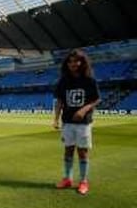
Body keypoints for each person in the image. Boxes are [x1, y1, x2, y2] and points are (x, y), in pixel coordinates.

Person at [53, 49, 100, 195]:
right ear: (67, 64)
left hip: (84, 123)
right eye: (70, 61)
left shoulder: (89, 80)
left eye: (76, 61)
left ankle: (83, 181)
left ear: (82, 62)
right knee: (68, 151)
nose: (73, 64)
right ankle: (67, 179)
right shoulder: (63, 81)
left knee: (82, 152)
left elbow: (97, 99)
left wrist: (84, 109)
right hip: (67, 122)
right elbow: (60, 101)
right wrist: (55, 119)